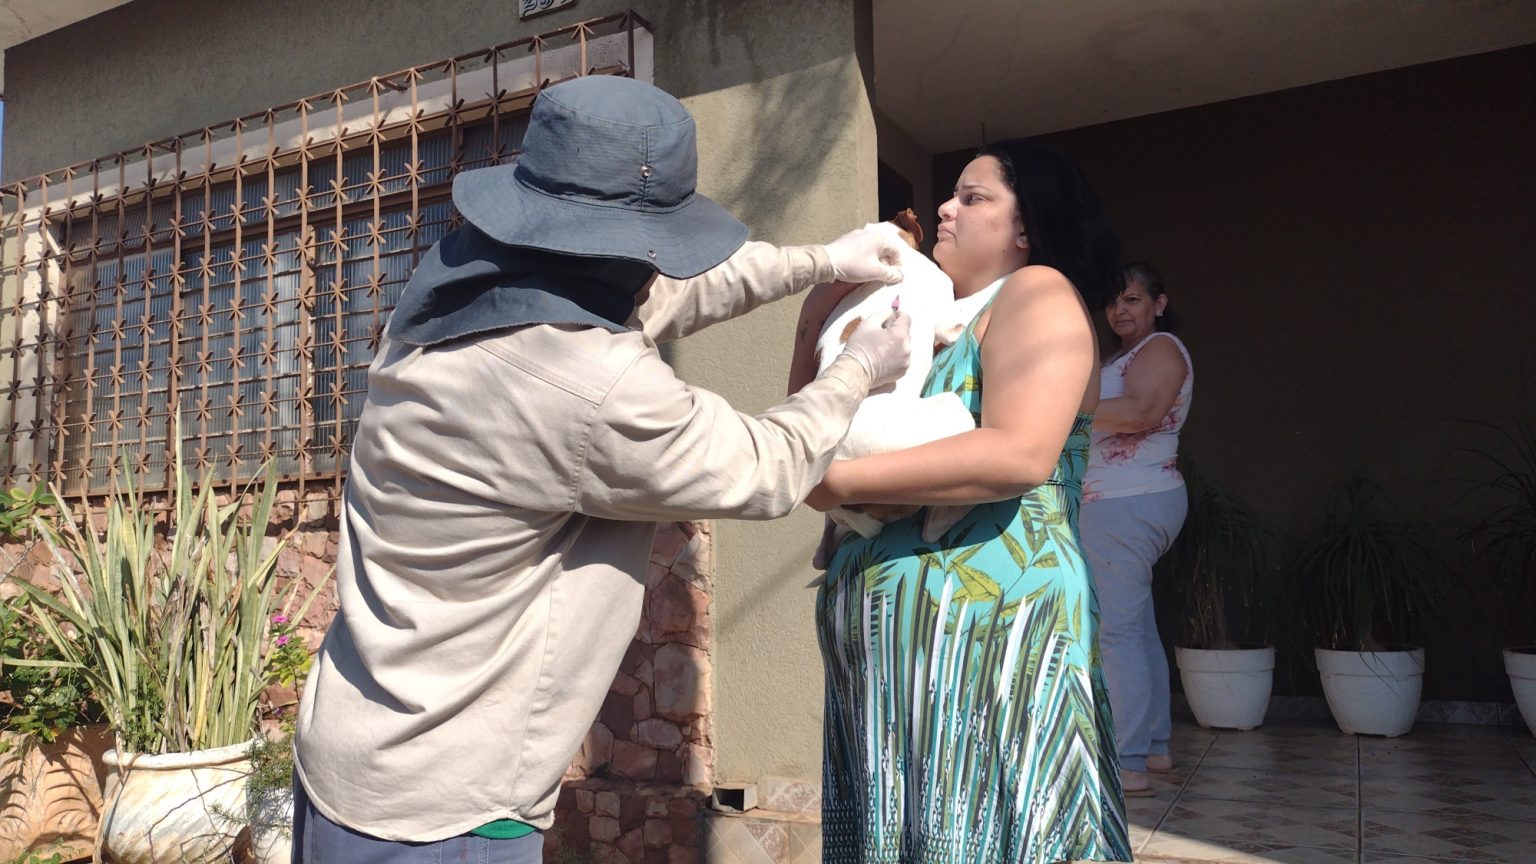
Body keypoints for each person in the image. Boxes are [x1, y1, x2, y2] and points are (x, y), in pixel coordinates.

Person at [290, 74, 914, 863]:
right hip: (448, 810)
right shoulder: (589, 387)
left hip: (352, 757)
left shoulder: (456, 290)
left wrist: (822, 260)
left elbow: (664, 298)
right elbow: (764, 467)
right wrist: (860, 365)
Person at [795, 139, 1133, 863]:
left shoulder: (1036, 291)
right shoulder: (924, 312)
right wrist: (813, 317)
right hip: (903, 666)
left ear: (1027, 228)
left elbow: (1018, 452)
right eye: (953, 193)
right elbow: (810, 432)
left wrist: (836, 486)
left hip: (991, 641)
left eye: (974, 197)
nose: (945, 207)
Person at [1079, 262, 1193, 798]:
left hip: (1128, 501)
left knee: (1116, 631)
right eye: (1114, 302)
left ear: (1159, 304)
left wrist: (1064, 406)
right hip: (1126, 500)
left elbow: (1144, 411)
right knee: (1137, 623)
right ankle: (1153, 746)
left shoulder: (1162, 348)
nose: (1120, 311)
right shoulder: (1125, 355)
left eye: (1132, 300)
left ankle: (1125, 762)